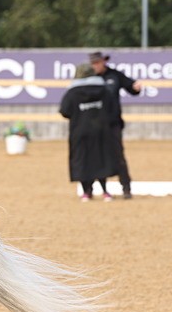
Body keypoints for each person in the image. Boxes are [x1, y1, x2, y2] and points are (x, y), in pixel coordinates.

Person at [60, 63, 119, 201]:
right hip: (101, 131)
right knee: (101, 158)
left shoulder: (72, 92)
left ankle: (86, 191)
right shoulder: (104, 90)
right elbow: (113, 109)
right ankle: (105, 191)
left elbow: (65, 111)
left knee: (82, 159)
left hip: (79, 131)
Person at [89, 50, 143, 199]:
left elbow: (131, 87)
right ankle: (91, 189)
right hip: (93, 124)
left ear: (104, 62)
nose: (96, 66)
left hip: (113, 123)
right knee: (93, 156)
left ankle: (126, 187)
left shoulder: (114, 75)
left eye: (98, 62)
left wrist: (136, 87)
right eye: (93, 63)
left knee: (118, 155)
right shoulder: (88, 78)